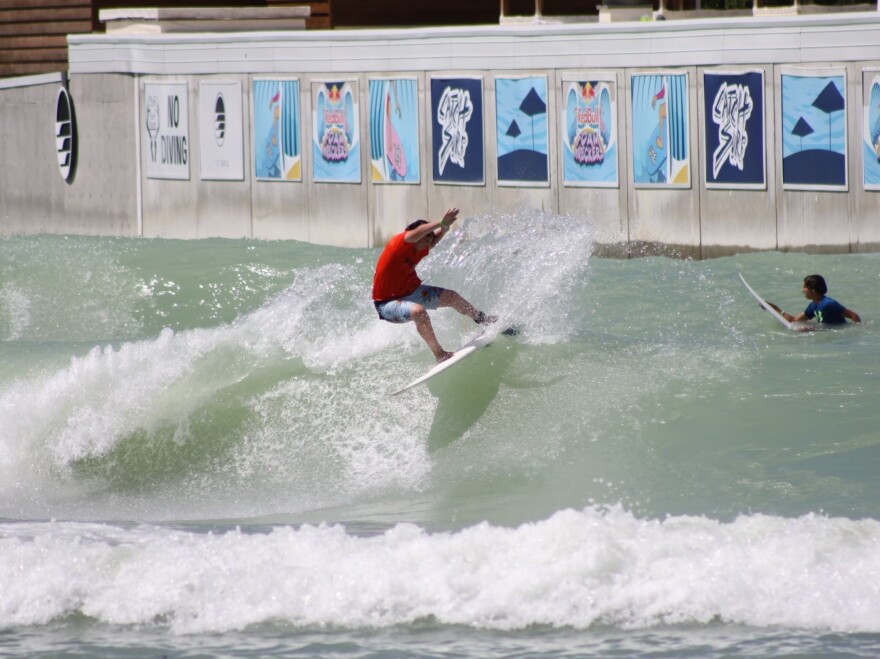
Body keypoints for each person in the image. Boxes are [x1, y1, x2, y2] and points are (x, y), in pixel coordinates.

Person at [372, 208, 495, 362]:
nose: (427, 244)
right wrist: (440, 222)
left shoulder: (420, 247)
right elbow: (416, 233)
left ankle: (482, 319)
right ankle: (439, 354)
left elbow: (433, 241)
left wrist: (444, 229)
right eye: (425, 239)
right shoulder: (399, 243)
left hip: (413, 292)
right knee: (419, 312)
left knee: (452, 297)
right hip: (386, 304)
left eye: (429, 241)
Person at [766, 274, 861, 325]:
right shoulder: (813, 306)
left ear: (813, 290)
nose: (803, 291)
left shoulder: (828, 304)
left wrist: (859, 331)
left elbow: (854, 316)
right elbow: (794, 320)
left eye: (805, 288)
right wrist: (774, 308)